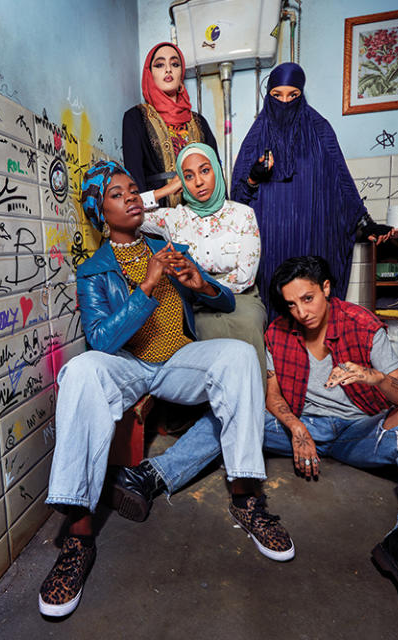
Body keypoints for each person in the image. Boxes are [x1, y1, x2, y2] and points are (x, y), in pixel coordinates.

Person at [39, 160, 294, 618]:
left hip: (178, 360)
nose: (132, 196)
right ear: (100, 210)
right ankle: (78, 538)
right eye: (117, 194)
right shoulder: (94, 271)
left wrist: (204, 286)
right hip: (129, 365)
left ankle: (246, 498)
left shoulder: (166, 244)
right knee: (80, 371)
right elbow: (103, 339)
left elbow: (226, 298)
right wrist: (150, 284)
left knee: (237, 355)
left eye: (133, 188)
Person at [262, 255, 398, 637]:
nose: (300, 312)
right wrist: (297, 429)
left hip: (358, 431)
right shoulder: (277, 332)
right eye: (290, 304)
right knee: (228, 414)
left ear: (326, 288)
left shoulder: (363, 325)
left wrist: (371, 376)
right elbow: (272, 397)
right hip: (303, 429)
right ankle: (154, 475)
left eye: (307, 299)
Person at [230, 62, 392, 310]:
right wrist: (253, 177)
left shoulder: (319, 130)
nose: (285, 102)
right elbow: (237, 202)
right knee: (274, 306)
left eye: (292, 95)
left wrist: (364, 222)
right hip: (270, 242)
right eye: (277, 95)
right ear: (268, 96)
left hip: (311, 236)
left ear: (301, 94)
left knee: (310, 302)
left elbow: (341, 180)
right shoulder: (255, 138)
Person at [141, 142, 268, 386]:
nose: (198, 182)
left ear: (217, 172)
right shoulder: (174, 218)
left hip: (241, 297)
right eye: (188, 176)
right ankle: (210, 408)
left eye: (204, 171)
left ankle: (254, 400)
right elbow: (125, 213)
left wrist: (205, 287)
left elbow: (246, 276)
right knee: (199, 328)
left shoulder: (243, 215)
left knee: (249, 323)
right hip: (194, 302)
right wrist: (165, 190)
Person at [124, 42, 220, 208]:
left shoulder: (199, 122)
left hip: (200, 219)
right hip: (156, 219)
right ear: (149, 73)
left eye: (175, 64)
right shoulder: (136, 118)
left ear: (181, 73)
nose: (168, 70)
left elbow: (216, 176)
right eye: (160, 65)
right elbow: (134, 182)